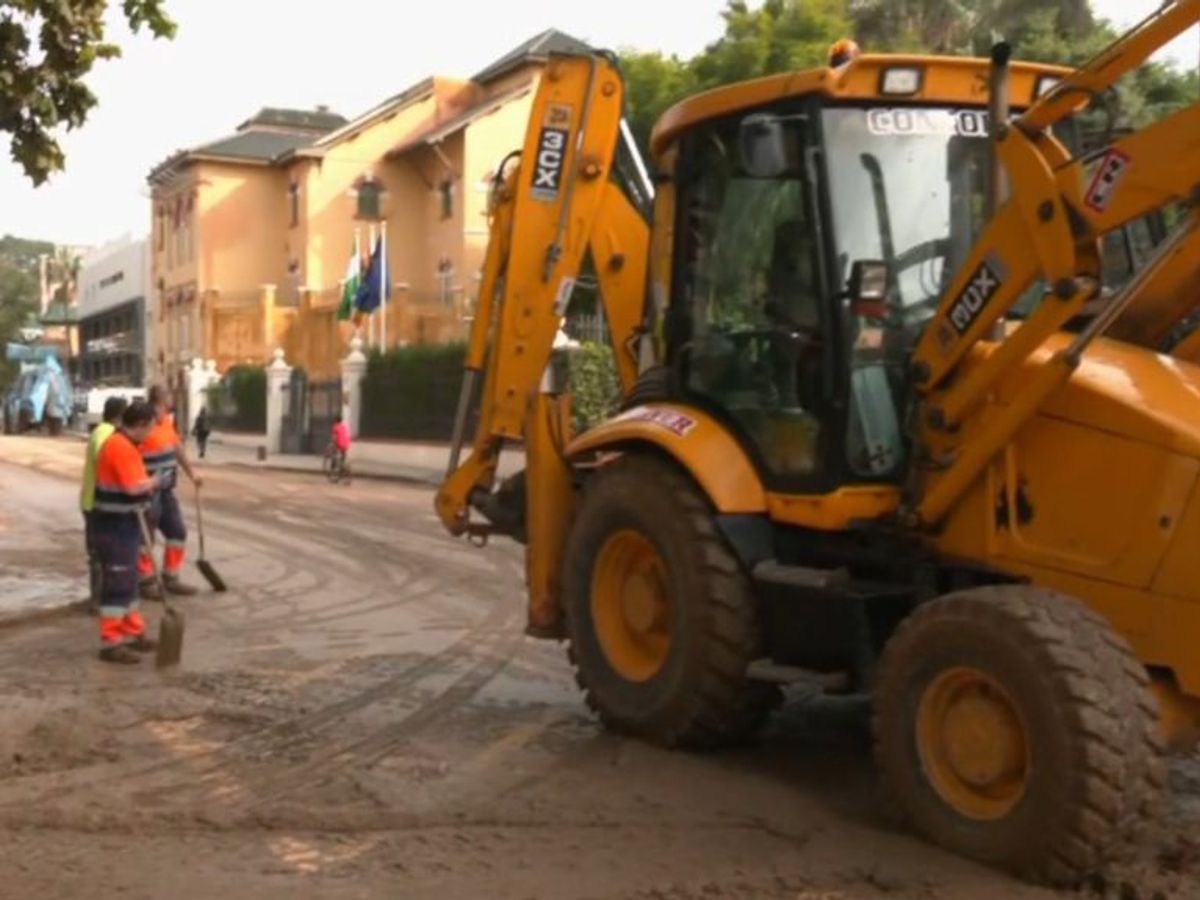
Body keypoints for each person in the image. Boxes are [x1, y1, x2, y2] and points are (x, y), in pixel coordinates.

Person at [91, 400, 161, 664]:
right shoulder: (120, 447)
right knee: (118, 583)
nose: (151, 434)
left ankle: (133, 633)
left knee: (129, 581)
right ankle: (111, 642)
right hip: (114, 526)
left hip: (124, 523)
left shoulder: (125, 445)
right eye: (150, 428)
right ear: (141, 425)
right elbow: (133, 487)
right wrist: (155, 481)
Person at [137, 385, 203, 598]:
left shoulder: (166, 420)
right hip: (148, 490)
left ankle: (171, 577)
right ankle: (145, 582)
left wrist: (191, 474)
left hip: (166, 489)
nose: (173, 397)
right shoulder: (144, 421)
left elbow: (177, 448)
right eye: (170, 394)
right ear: (161, 398)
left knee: (177, 532)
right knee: (146, 537)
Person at [80, 396, 128, 611]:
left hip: (95, 501)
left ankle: (103, 596)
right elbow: (105, 459)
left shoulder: (104, 431)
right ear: (120, 415)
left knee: (103, 551)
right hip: (96, 503)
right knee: (99, 553)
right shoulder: (105, 433)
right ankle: (98, 599)